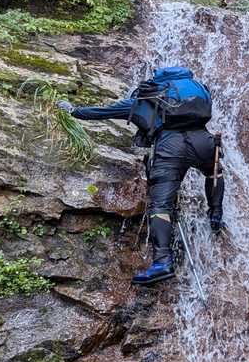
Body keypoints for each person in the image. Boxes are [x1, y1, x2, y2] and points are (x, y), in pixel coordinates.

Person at [58, 66, 224, 287]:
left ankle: (162, 262)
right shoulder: (198, 90)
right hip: (205, 142)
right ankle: (215, 214)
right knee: (213, 171)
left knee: (160, 206)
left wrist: (73, 111)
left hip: (171, 148)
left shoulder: (148, 97)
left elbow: (103, 112)